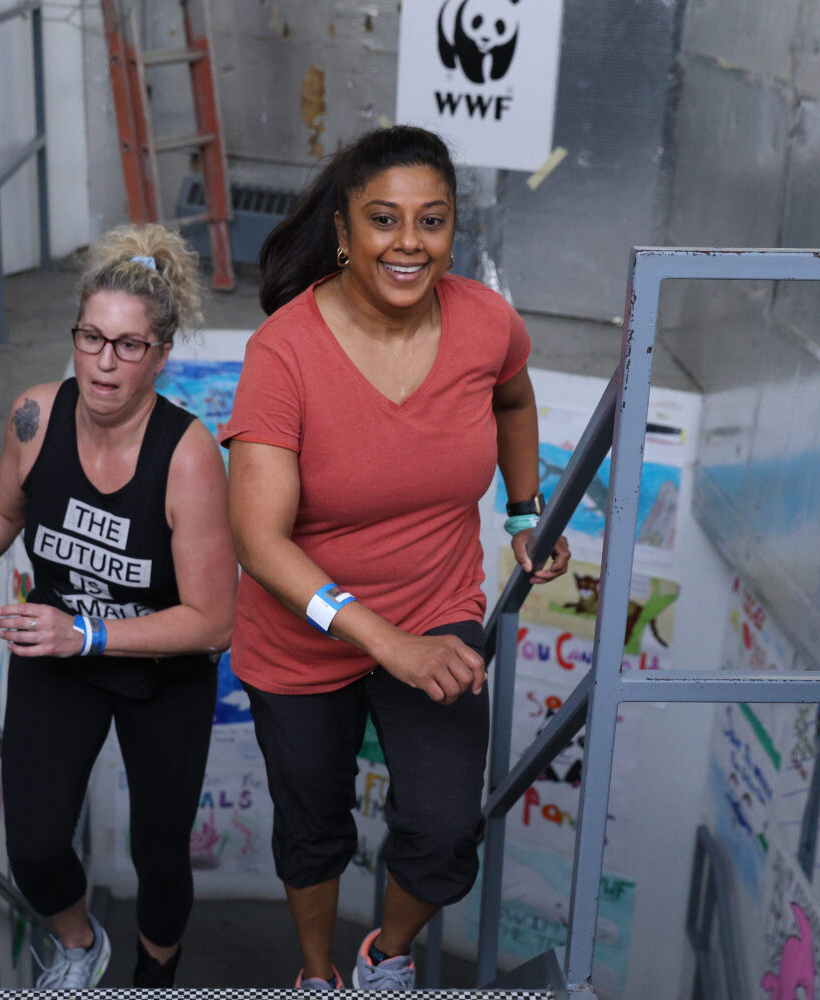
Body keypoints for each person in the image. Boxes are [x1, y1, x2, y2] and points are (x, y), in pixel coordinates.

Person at [221, 125, 572, 990]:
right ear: (343, 231)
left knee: (448, 827)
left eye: (432, 220)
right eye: (384, 220)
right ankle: (316, 973)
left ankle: (384, 956)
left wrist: (526, 511)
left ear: (455, 231)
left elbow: (516, 397)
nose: (408, 243)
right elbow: (259, 542)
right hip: (303, 634)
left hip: (435, 605)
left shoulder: (487, 323)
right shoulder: (285, 353)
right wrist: (386, 643)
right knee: (313, 826)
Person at [0, 225, 235, 988]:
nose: (106, 363)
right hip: (60, 655)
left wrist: (84, 631)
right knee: (38, 845)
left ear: (160, 356)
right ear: (74, 336)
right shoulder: (35, 415)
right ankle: (80, 946)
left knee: (160, 852)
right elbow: (0, 502)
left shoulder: (187, 458)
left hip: (161, 670)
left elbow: (214, 621)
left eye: (129, 346)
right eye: (92, 338)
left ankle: (155, 970)